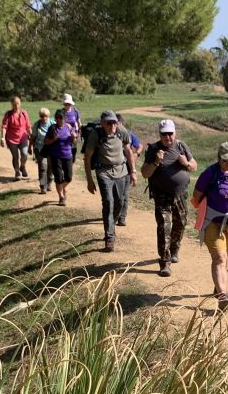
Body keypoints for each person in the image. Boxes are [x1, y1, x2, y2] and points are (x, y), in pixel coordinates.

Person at [191, 142, 228, 313]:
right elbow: (196, 195)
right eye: (225, 160)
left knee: (225, 256)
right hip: (213, 222)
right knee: (219, 257)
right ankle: (223, 295)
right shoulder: (209, 174)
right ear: (219, 158)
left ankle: (218, 287)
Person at [141, 119, 197, 277]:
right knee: (164, 227)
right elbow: (145, 173)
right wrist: (156, 162)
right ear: (160, 134)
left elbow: (194, 166)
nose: (167, 137)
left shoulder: (181, 146)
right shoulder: (154, 149)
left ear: (174, 133)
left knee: (180, 223)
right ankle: (164, 261)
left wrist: (186, 163)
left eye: (170, 133)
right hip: (161, 195)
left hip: (180, 194)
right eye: (164, 134)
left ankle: (174, 250)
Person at [83, 110, 136, 252]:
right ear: (102, 123)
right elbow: (87, 157)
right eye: (109, 123)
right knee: (108, 202)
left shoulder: (122, 131)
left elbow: (128, 151)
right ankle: (109, 237)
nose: (112, 125)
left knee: (119, 202)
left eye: (114, 122)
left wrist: (133, 171)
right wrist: (89, 180)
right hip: (104, 172)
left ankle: (111, 225)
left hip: (121, 171)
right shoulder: (95, 134)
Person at [44, 109, 76, 206]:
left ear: (65, 118)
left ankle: (62, 187)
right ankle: (61, 197)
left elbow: (74, 142)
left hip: (68, 155)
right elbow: (46, 142)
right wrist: (54, 139)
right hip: (55, 156)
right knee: (58, 178)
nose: (58, 119)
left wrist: (74, 137)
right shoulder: (52, 128)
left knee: (69, 177)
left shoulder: (69, 127)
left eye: (60, 118)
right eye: (56, 118)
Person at [0, 96, 31, 180]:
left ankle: (22, 166)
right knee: (15, 156)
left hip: (23, 138)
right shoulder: (8, 114)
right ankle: (17, 172)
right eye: (14, 104)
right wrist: (3, 138)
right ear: (12, 104)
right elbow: (4, 127)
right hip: (11, 139)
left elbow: (28, 126)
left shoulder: (24, 113)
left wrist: (31, 136)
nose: (16, 106)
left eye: (17, 103)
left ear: (20, 103)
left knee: (24, 154)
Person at [30, 108, 54, 194]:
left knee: (50, 166)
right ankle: (43, 186)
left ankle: (49, 182)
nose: (44, 118)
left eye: (46, 116)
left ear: (48, 116)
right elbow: (33, 137)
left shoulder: (52, 124)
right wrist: (29, 147)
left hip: (51, 148)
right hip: (39, 148)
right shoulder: (37, 124)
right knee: (43, 167)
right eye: (42, 116)